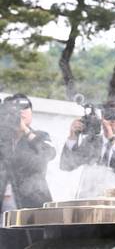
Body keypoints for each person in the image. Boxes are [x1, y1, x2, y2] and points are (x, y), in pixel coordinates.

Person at [0, 94, 56, 249]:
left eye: (25, 108)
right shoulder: (3, 139)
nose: (21, 112)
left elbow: (48, 154)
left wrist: (24, 129)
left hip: (31, 207)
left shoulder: (40, 136)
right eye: (15, 109)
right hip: (4, 210)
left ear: (32, 112)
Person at [60, 101, 115, 197]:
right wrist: (72, 136)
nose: (113, 120)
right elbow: (66, 165)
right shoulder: (91, 141)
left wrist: (112, 139)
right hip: (88, 199)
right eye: (109, 115)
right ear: (102, 119)